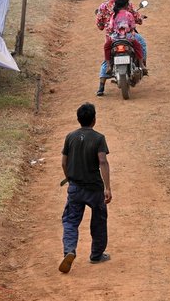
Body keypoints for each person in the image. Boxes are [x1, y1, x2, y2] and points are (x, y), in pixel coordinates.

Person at [59, 103, 111, 273]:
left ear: (78, 119)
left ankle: (69, 251)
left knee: (70, 221)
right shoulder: (99, 138)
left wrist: (69, 179)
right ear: (94, 120)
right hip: (94, 189)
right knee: (99, 220)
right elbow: (102, 161)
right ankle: (96, 255)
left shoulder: (70, 137)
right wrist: (107, 188)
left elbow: (64, 162)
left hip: (75, 187)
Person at [95, 0, 146, 96]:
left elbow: (100, 25)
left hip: (112, 37)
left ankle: (101, 85)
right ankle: (142, 65)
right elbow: (135, 22)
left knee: (107, 55)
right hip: (128, 37)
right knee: (141, 44)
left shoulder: (103, 7)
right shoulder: (128, 6)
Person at [102, 0, 145, 68]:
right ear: (126, 5)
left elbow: (111, 27)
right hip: (127, 38)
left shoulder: (114, 15)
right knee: (138, 46)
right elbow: (132, 26)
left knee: (106, 47)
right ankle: (141, 64)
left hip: (115, 38)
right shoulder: (129, 14)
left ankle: (108, 65)